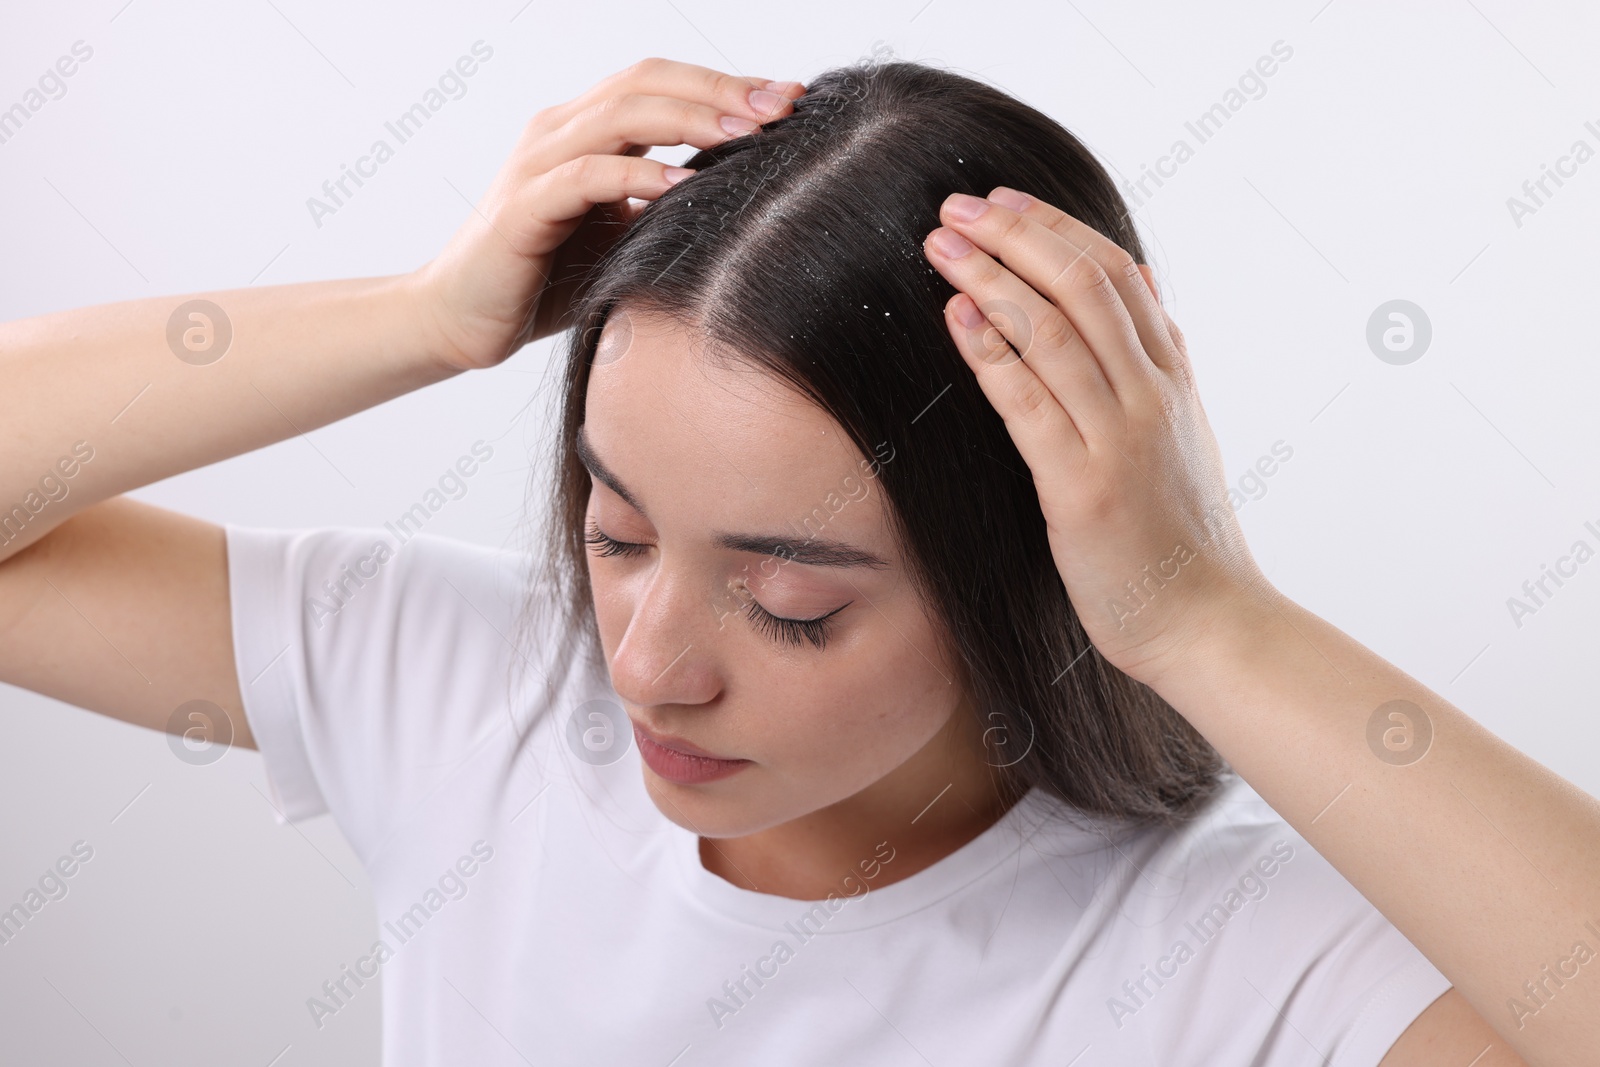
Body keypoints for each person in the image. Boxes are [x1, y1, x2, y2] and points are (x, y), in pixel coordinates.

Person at [1, 56, 1594, 1066]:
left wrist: (1203, 617)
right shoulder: (460, 690)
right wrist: (422, 317)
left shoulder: (1232, 963)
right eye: (614, 531)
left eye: (791, 605)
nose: (645, 663)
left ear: (1016, 570)